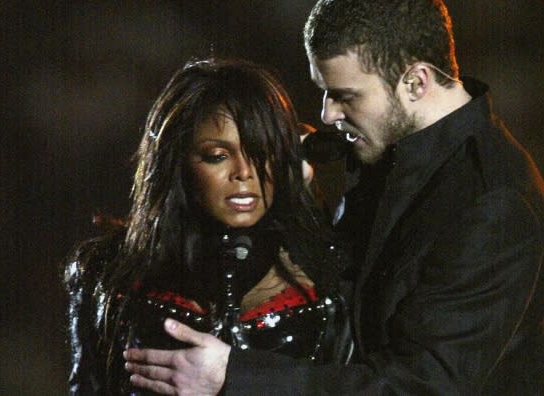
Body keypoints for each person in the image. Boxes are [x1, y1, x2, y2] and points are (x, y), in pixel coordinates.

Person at [124, 0, 544, 394]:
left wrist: (234, 375)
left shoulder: (492, 204)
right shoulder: (384, 150)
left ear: (416, 81)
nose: (327, 114)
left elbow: (423, 386)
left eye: (344, 96)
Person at [64, 59, 352, 395]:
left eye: (263, 151)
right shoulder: (106, 272)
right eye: (218, 155)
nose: (244, 172)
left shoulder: (331, 271)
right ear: (177, 161)